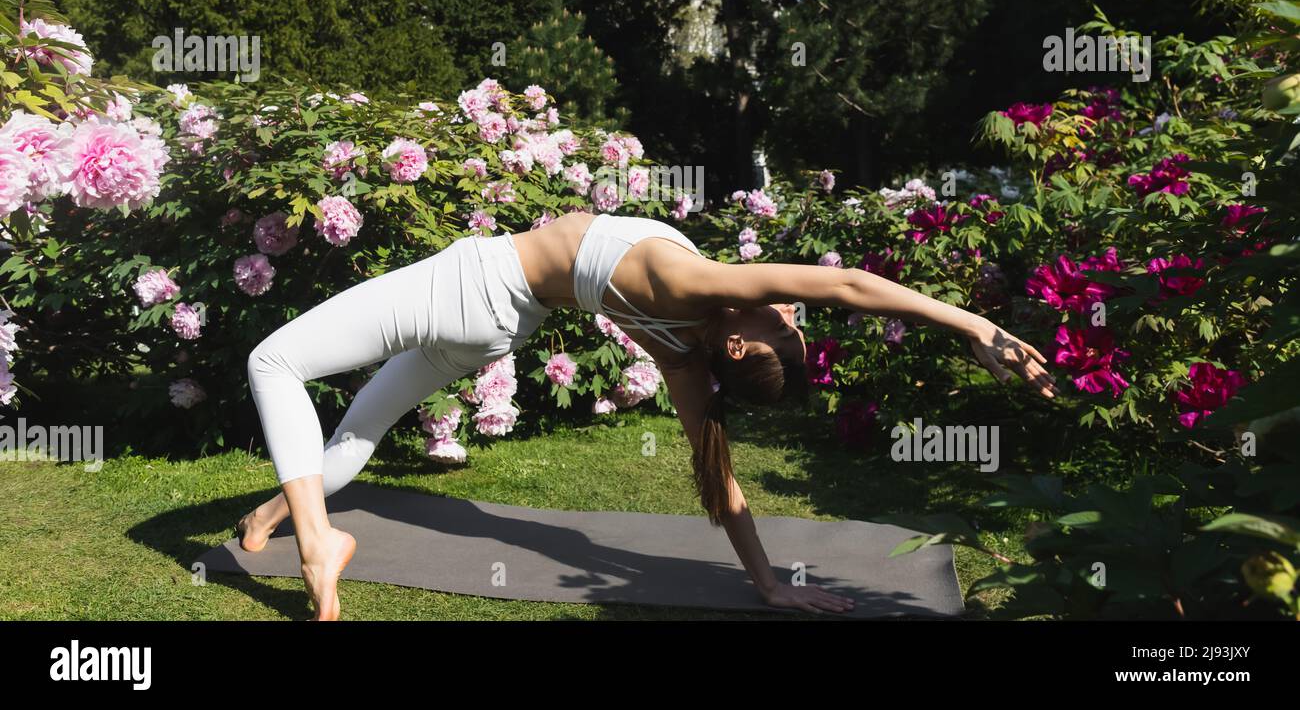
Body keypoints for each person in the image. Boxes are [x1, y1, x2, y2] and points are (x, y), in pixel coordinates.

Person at [238, 209, 1056, 619]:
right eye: (790, 320)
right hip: (495, 330)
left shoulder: (700, 290)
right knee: (359, 429)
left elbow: (845, 286)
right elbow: (720, 479)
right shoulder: (682, 355)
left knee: (271, 360)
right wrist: (768, 585)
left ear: (740, 346)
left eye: (781, 325)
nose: (789, 313)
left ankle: (320, 542)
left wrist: (975, 326)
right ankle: (278, 512)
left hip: (475, 285)